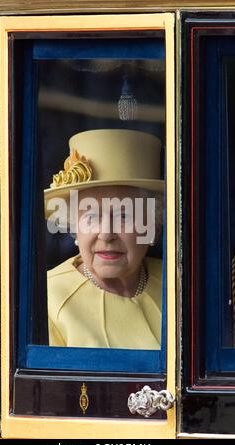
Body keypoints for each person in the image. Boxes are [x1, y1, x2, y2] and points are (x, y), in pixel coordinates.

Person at [44, 129, 164, 349]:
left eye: (123, 215)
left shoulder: (177, 286)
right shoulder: (47, 299)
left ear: (154, 227)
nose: (107, 234)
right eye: (91, 216)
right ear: (74, 226)